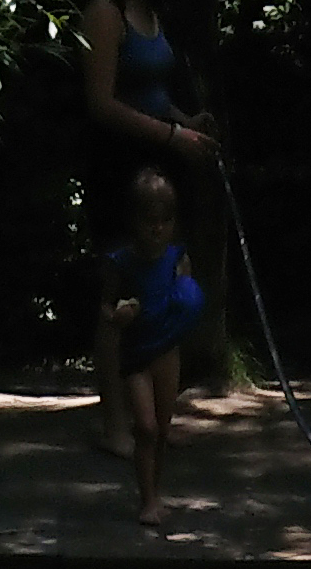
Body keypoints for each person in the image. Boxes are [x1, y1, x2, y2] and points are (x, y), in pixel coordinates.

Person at [82, 0, 215, 459]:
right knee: (119, 296)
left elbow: (152, 94)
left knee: (165, 289)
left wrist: (184, 123)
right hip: (118, 171)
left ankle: (156, 421)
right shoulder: (106, 11)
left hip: (160, 169)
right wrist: (172, 136)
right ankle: (115, 425)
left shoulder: (154, 13)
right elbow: (101, 103)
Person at [100, 170, 204, 526]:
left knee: (160, 428)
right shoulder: (121, 262)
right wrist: (118, 315)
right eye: (150, 221)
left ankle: (154, 495)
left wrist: (186, 302)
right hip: (136, 355)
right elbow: (105, 307)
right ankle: (146, 501)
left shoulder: (177, 258)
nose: (158, 229)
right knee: (144, 427)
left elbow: (188, 300)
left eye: (166, 221)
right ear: (134, 221)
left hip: (167, 352)